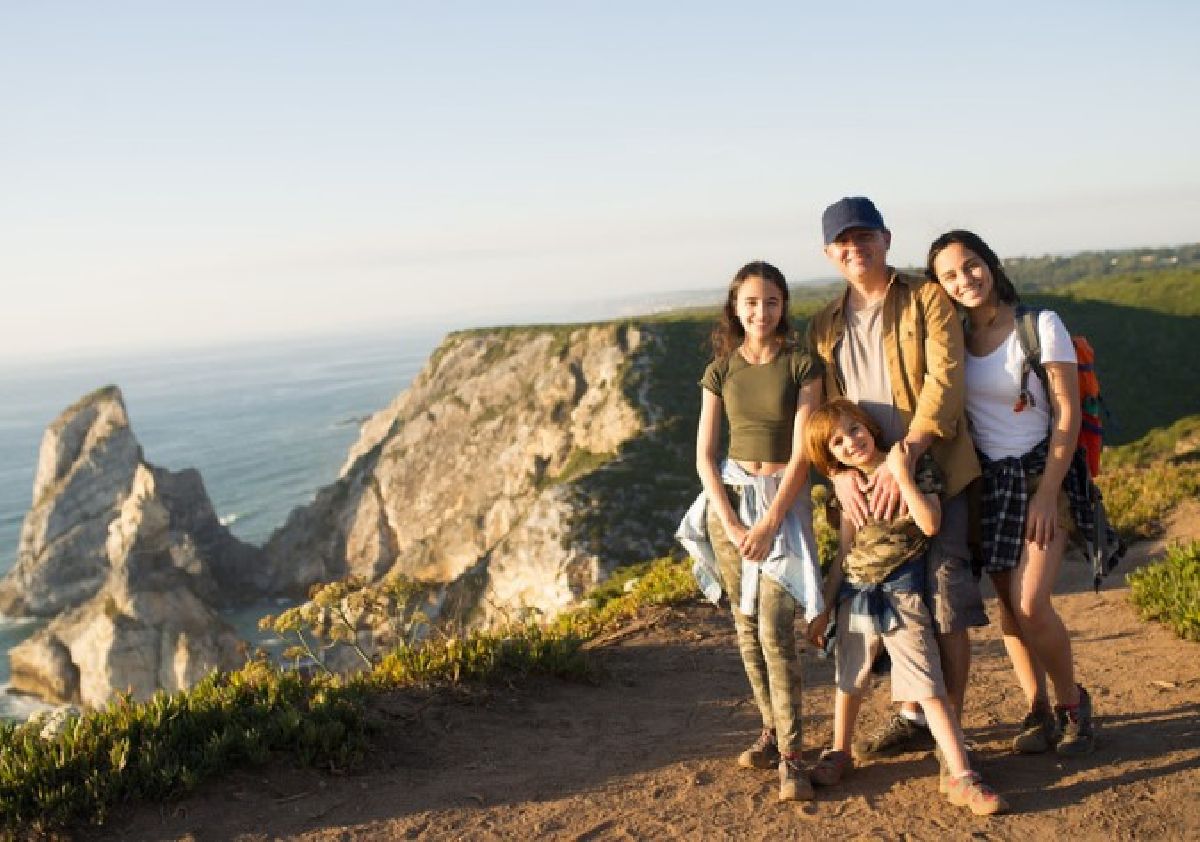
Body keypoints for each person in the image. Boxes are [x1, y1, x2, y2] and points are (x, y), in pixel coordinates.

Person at [806, 197, 987, 761]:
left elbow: (946, 380)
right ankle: (913, 715)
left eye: (865, 237)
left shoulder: (925, 298)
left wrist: (903, 455)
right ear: (831, 253)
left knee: (945, 601)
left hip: (935, 471)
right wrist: (837, 477)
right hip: (861, 483)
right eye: (844, 242)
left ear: (885, 239)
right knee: (885, 601)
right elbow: (825, 413)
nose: (855, 248)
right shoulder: (823, 325)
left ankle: (946, 735)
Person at [927, 229, 1095, 756]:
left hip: (1045, 474)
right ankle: (1037, 710)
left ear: (991, 264)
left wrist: (1047, 493)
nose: (965, 280)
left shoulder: (1040, 325)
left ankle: (1073, 706)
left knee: (1032, 601)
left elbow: (1066, 413)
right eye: (949, 275)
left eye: (971, 266)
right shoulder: (953, 337)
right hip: (989, 483)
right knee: (1007, 608)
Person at [803, 399, 1007, 816]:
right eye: (837, 443)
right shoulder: (847, 486)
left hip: (903, 589)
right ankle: (840, 751)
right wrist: (824, 606)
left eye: (854, 430)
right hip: (857, 591)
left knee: (927, 682)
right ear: (831, 457)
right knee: (850, 679)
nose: (851, 443)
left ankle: (960, 772)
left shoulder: (912, 464)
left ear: (870, 427)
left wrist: (900, 474)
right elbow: (845, 552)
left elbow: (931, 523)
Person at [676, 260, 824, 801]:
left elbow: (804, 452)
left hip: (780, 506)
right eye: (752, 302)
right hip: (731, 508)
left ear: (783, 307)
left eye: (772, 302)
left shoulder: (802, 364)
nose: (762, 312)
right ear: (735, 309)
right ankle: (770, 729)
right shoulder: (721, 370)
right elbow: (704, 455)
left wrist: (768, 522)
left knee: (774, 630)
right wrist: (734, 521)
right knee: (744, 627)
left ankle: (793, 756)